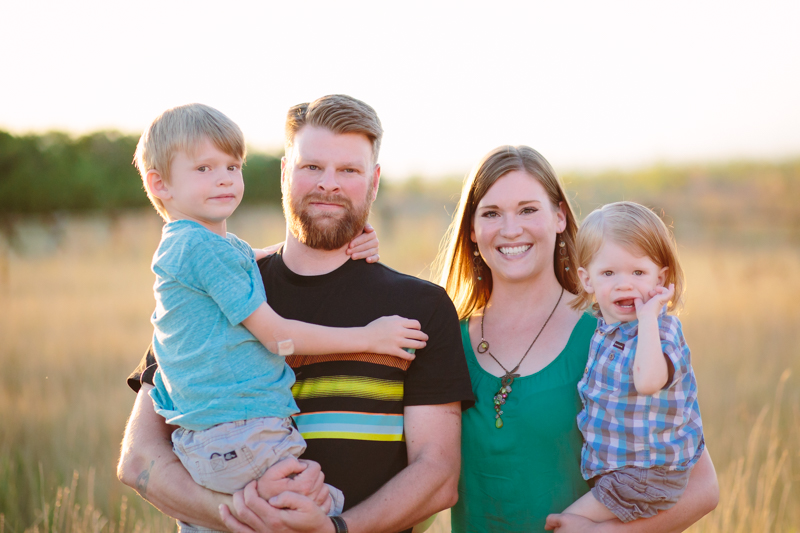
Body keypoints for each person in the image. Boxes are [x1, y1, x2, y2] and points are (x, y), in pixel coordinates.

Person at [117, 94, 475, 533]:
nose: (329, 184)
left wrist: (334, 529)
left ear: (374, 181)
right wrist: (247, 516)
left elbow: (437, 477)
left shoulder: (420, 307)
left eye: (349, 170)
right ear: (285, 172)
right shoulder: (211, 294)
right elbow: (139, 461)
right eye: (312, 167)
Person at [434, 145, 718, 532]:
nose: (510, 228)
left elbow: (702, 487)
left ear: (559, 217)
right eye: (491, 213)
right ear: (472, 228)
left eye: (528, 210)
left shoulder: (617, 335)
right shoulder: (446, 340)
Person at [552, 201, 703, 524]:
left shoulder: (661, 329)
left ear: (660, 278)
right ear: (587, 280)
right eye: (608, 273)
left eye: (638, 273)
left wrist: (647, 317)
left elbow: (648, 381)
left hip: (648, 474)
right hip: (621, 472)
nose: (624, 284)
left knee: (564, 523)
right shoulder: (603, 330)